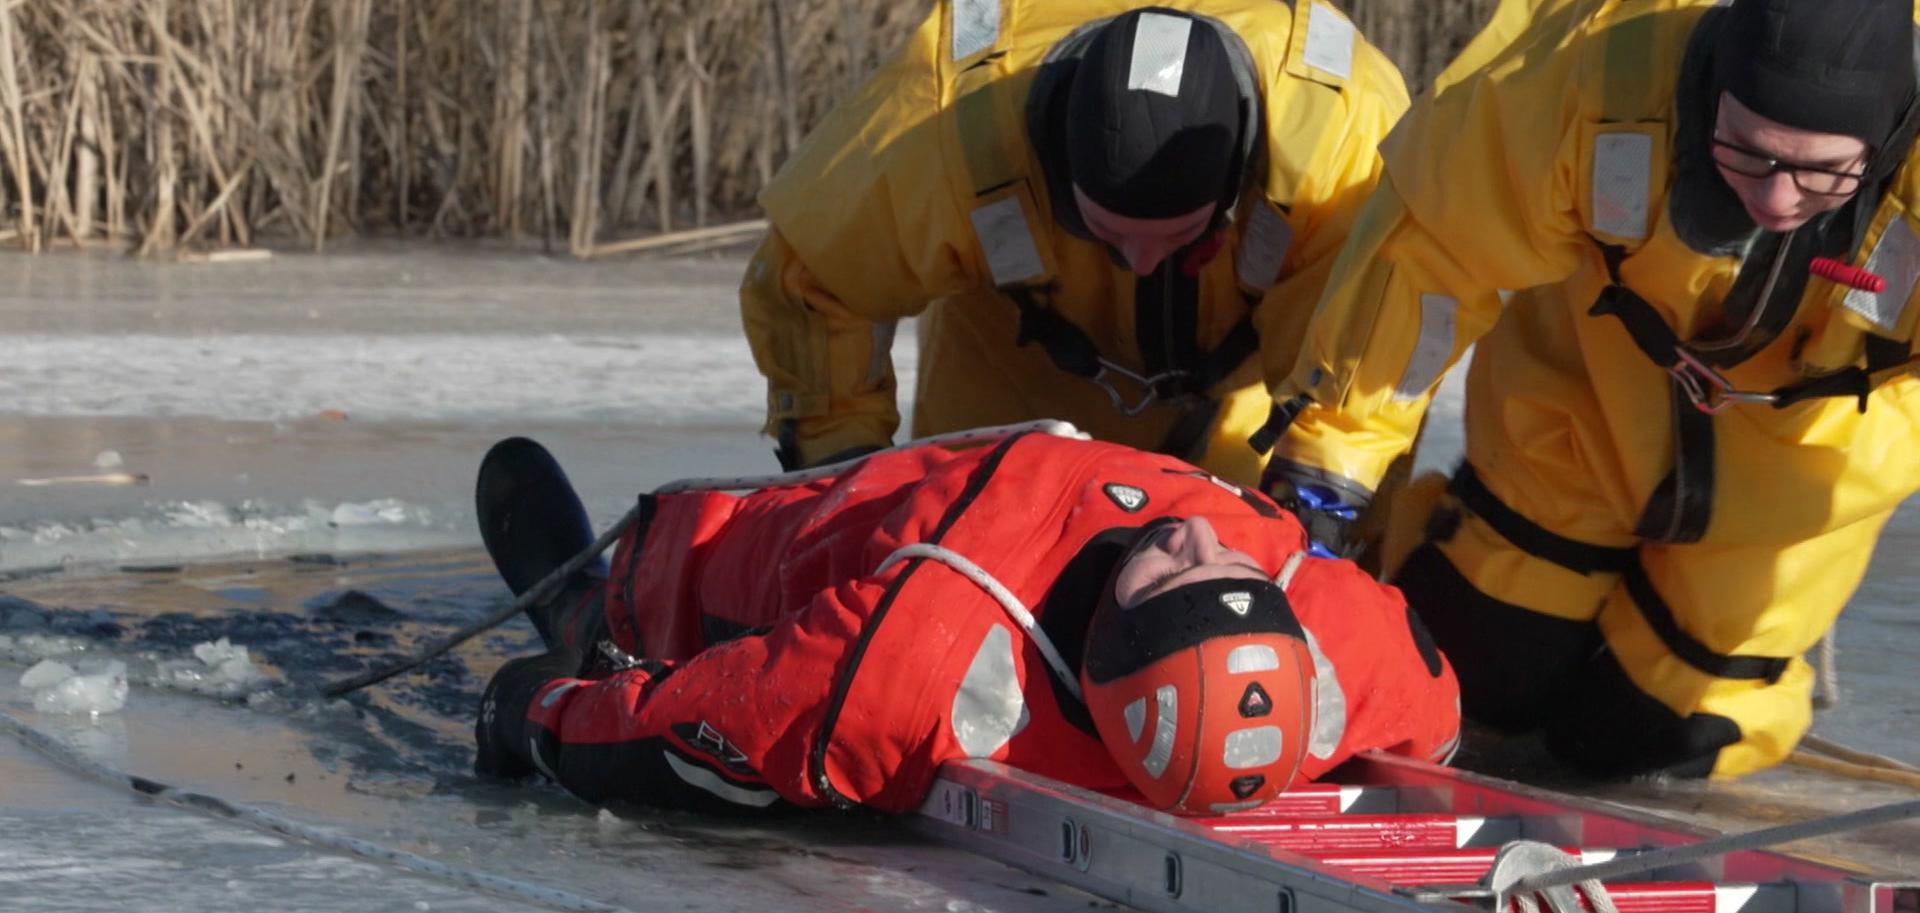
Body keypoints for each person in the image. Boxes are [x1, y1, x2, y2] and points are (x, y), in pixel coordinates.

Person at [1256, 0, 1920, 779]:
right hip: (1579, 417)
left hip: (1798, 481)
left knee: (1648, 737)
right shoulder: (1587, 75)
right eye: (1749, 153)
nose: (1776, 200)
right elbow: (1427, 264)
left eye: (1822, 173)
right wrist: (1325, 473)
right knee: (1475, 674)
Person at [471, 430, 1459, 816]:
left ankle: (582, 604)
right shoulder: (1338, 643)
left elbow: (687, 732)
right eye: (1234, 569)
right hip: (970, 473)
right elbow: (1435, 711)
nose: (1202, 535)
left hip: (732, 561)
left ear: (1108, 649)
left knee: (647, 595)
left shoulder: (916, 673)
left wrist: (534, 714)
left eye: (1172, 575)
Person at [741, 1, 1409, 488]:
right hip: (1009, 373)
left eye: (1178, 240)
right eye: (1107, 234)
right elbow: (811, 281)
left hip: (1242, 400)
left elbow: (1373, 335)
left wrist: (1328, 485)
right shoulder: (942, 123)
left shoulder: (1340, 139)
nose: (1142, 261)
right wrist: (844, 468)